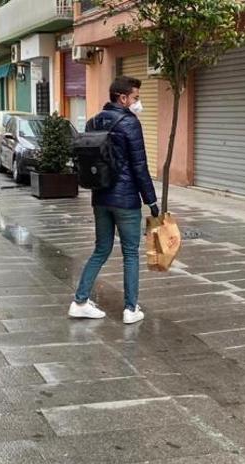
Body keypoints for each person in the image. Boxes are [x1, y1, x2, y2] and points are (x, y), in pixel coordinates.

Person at [68, 76, 158, 325]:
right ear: (123, 98)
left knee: (101, 249)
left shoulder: (94, 121)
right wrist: (151, 201)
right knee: (130, 252)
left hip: (101, 196)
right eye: (136, 98)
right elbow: (140, 166)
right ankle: (130, 309)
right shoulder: (130, 123)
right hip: (126, 200)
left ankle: (80, 301)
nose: (138, 103)